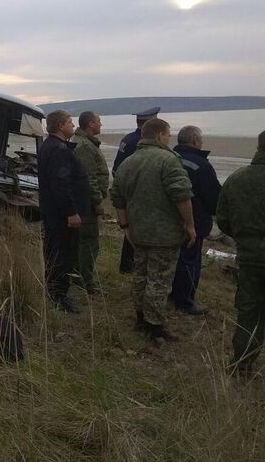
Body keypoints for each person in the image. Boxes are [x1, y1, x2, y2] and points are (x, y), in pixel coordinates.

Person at [110, 118, 195, 341]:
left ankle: (141, 317)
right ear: (159, 136)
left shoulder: (128, 162)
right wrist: (190, 225)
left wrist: (125, 226)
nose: (169, 139)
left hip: (138, 232)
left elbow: (117, 198)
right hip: (164, 234)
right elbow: (181, 195)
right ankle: (154, 325)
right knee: (159, 279)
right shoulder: (168, 160)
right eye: (168, 135)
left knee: (141, 275)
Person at [217, 130, 265, 375]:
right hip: (250, 255)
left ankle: (242, 365)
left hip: (249, 257)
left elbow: (223, 219)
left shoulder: (237, 179)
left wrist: (245, 238)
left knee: (249, 313)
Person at [38, 110, 90, 313]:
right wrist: (71, 212)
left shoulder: (50, 145)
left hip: (54, 212)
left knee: (55, 252)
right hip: (61, 216)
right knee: (62, 253)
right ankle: (58, 296)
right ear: (60, 126)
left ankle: (55, 291)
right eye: (69, 122)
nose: (73, 125)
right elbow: (61, 184)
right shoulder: (58, 149)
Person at [169, 126, 221, 314]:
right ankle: (185, 301)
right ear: (194, 140)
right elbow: (213, 198)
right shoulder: (201, 165)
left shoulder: (170, 159)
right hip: (194, 221)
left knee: (172, 259)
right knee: (189, 262)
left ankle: (172, 293)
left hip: (168, 219)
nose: (201, 142)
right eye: (200, 139)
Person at [112, 107, 161, 274]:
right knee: (138, 231)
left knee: (131, 230)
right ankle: (132, 265)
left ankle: (127, 265)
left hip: (127, 190)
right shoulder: (140, 142)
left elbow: (117, 169)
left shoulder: (128, 138)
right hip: (137, 193)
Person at [71, 111, 109, 295]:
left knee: (83, 242)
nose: (101, 124)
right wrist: (97, 200)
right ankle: (85, 281)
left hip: (84, 202)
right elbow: (88, 178)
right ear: (90, 124)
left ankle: (79, 276)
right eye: (98, 121)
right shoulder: (85, 146)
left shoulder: (86, 143)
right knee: (88, 243)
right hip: (86, 203)